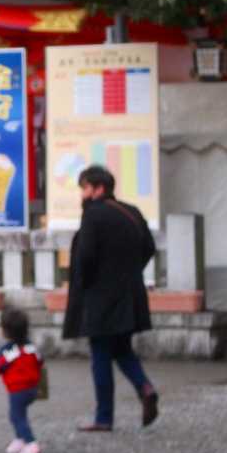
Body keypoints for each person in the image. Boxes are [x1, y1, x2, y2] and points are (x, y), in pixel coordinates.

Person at [61, 165, 160, 431]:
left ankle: (104, 417)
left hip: (101, 298)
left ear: (98, 188)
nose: (82, 194)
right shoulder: (132, 212)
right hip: (130, 295)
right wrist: (129, 271)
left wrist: (88, 285)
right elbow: (149, 247)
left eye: (85, 188)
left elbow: (87, 256)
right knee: (121, 348)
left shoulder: (94, 216)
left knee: (101, 354)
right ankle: (145, 387)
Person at [0, 308, 45, 453]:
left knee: (17, 417)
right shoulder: (31, 348)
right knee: (19, 414)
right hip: (33, 389)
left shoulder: (9, 351)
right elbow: (40, 361)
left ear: (6, 332)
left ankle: (30, 442)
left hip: (18, 390)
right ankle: (20, 439)